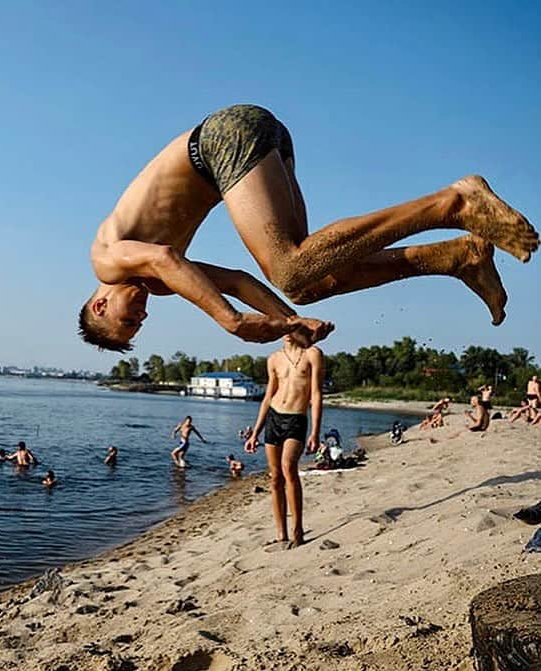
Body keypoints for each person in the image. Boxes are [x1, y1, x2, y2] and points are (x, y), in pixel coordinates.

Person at [80, 104, 537, 353]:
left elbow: (168, 258)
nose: (141, 311)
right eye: (140, 322)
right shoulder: (153, 282)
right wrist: (290, 323)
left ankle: (452, 203)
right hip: (255, 144)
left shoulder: (108, 259)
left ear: (100, 304)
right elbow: (238, 281)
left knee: (290, 268)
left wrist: (231, 322)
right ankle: (455, 257)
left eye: (129, 317)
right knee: (309, 280)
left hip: (221, 140)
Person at [245, 336, 324, 549]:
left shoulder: (312, 354)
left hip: (296, 419)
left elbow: (316, 395)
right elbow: (268, 396)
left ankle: (298, 530)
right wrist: (255, 433)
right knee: (275, 478)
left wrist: (315, 432)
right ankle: (281, 533)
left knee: (289, 467)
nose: (287, 333)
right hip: (274, 417)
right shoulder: (273, 359)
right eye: (283, 328)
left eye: (291, 327)